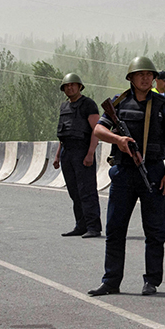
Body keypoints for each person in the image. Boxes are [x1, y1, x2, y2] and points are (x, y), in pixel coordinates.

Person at [88, 57, 165, 297]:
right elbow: (99, 128)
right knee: (115, 229)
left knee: (155, 230)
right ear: (130, 78)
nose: (146, 78)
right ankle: (111, 281)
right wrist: (118, 140)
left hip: (152, 170)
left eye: (149, 75)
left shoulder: (163, 105)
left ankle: (151, 281)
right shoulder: (118, 103)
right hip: (124, 171)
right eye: (140, 74)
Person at [53, 73, 102, 239]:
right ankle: (81, 225)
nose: (70, 88)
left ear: (80, 87)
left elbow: (97, 130)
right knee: (74, 191)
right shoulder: (64, 107)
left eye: (73, 85)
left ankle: (93, 227)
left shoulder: (88, 104)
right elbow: (64, 133)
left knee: (86, 190)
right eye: (67, 86)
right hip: (67, 152)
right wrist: (58, 155)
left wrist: (90, 153)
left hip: (82, 151)